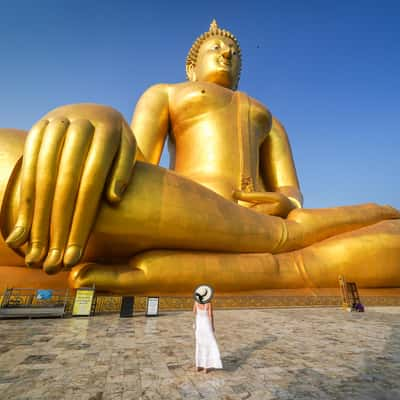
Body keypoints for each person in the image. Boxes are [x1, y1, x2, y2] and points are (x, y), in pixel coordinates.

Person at [0, 21, 399, 294]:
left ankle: (291, 252)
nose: (225, 53)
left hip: (261, 217)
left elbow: (291, 191)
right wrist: (99, 119)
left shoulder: (268, 118)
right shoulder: (168, 93)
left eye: (233, 53)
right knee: (15, 160)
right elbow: (135, 161)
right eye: (216, 48)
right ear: (192, 67)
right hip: (182, 209)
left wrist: (285, 202)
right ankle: (290, 251)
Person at [193, 285, 222, 373]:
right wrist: (212, 326)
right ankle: (206, 367)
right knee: (208, 344)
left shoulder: (196, 302)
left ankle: (198, 366)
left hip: (199, 325)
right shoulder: (208, 303)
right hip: (206, 325)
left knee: (199, 344)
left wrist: (195, 322)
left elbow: (194, 312)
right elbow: (210, 315)